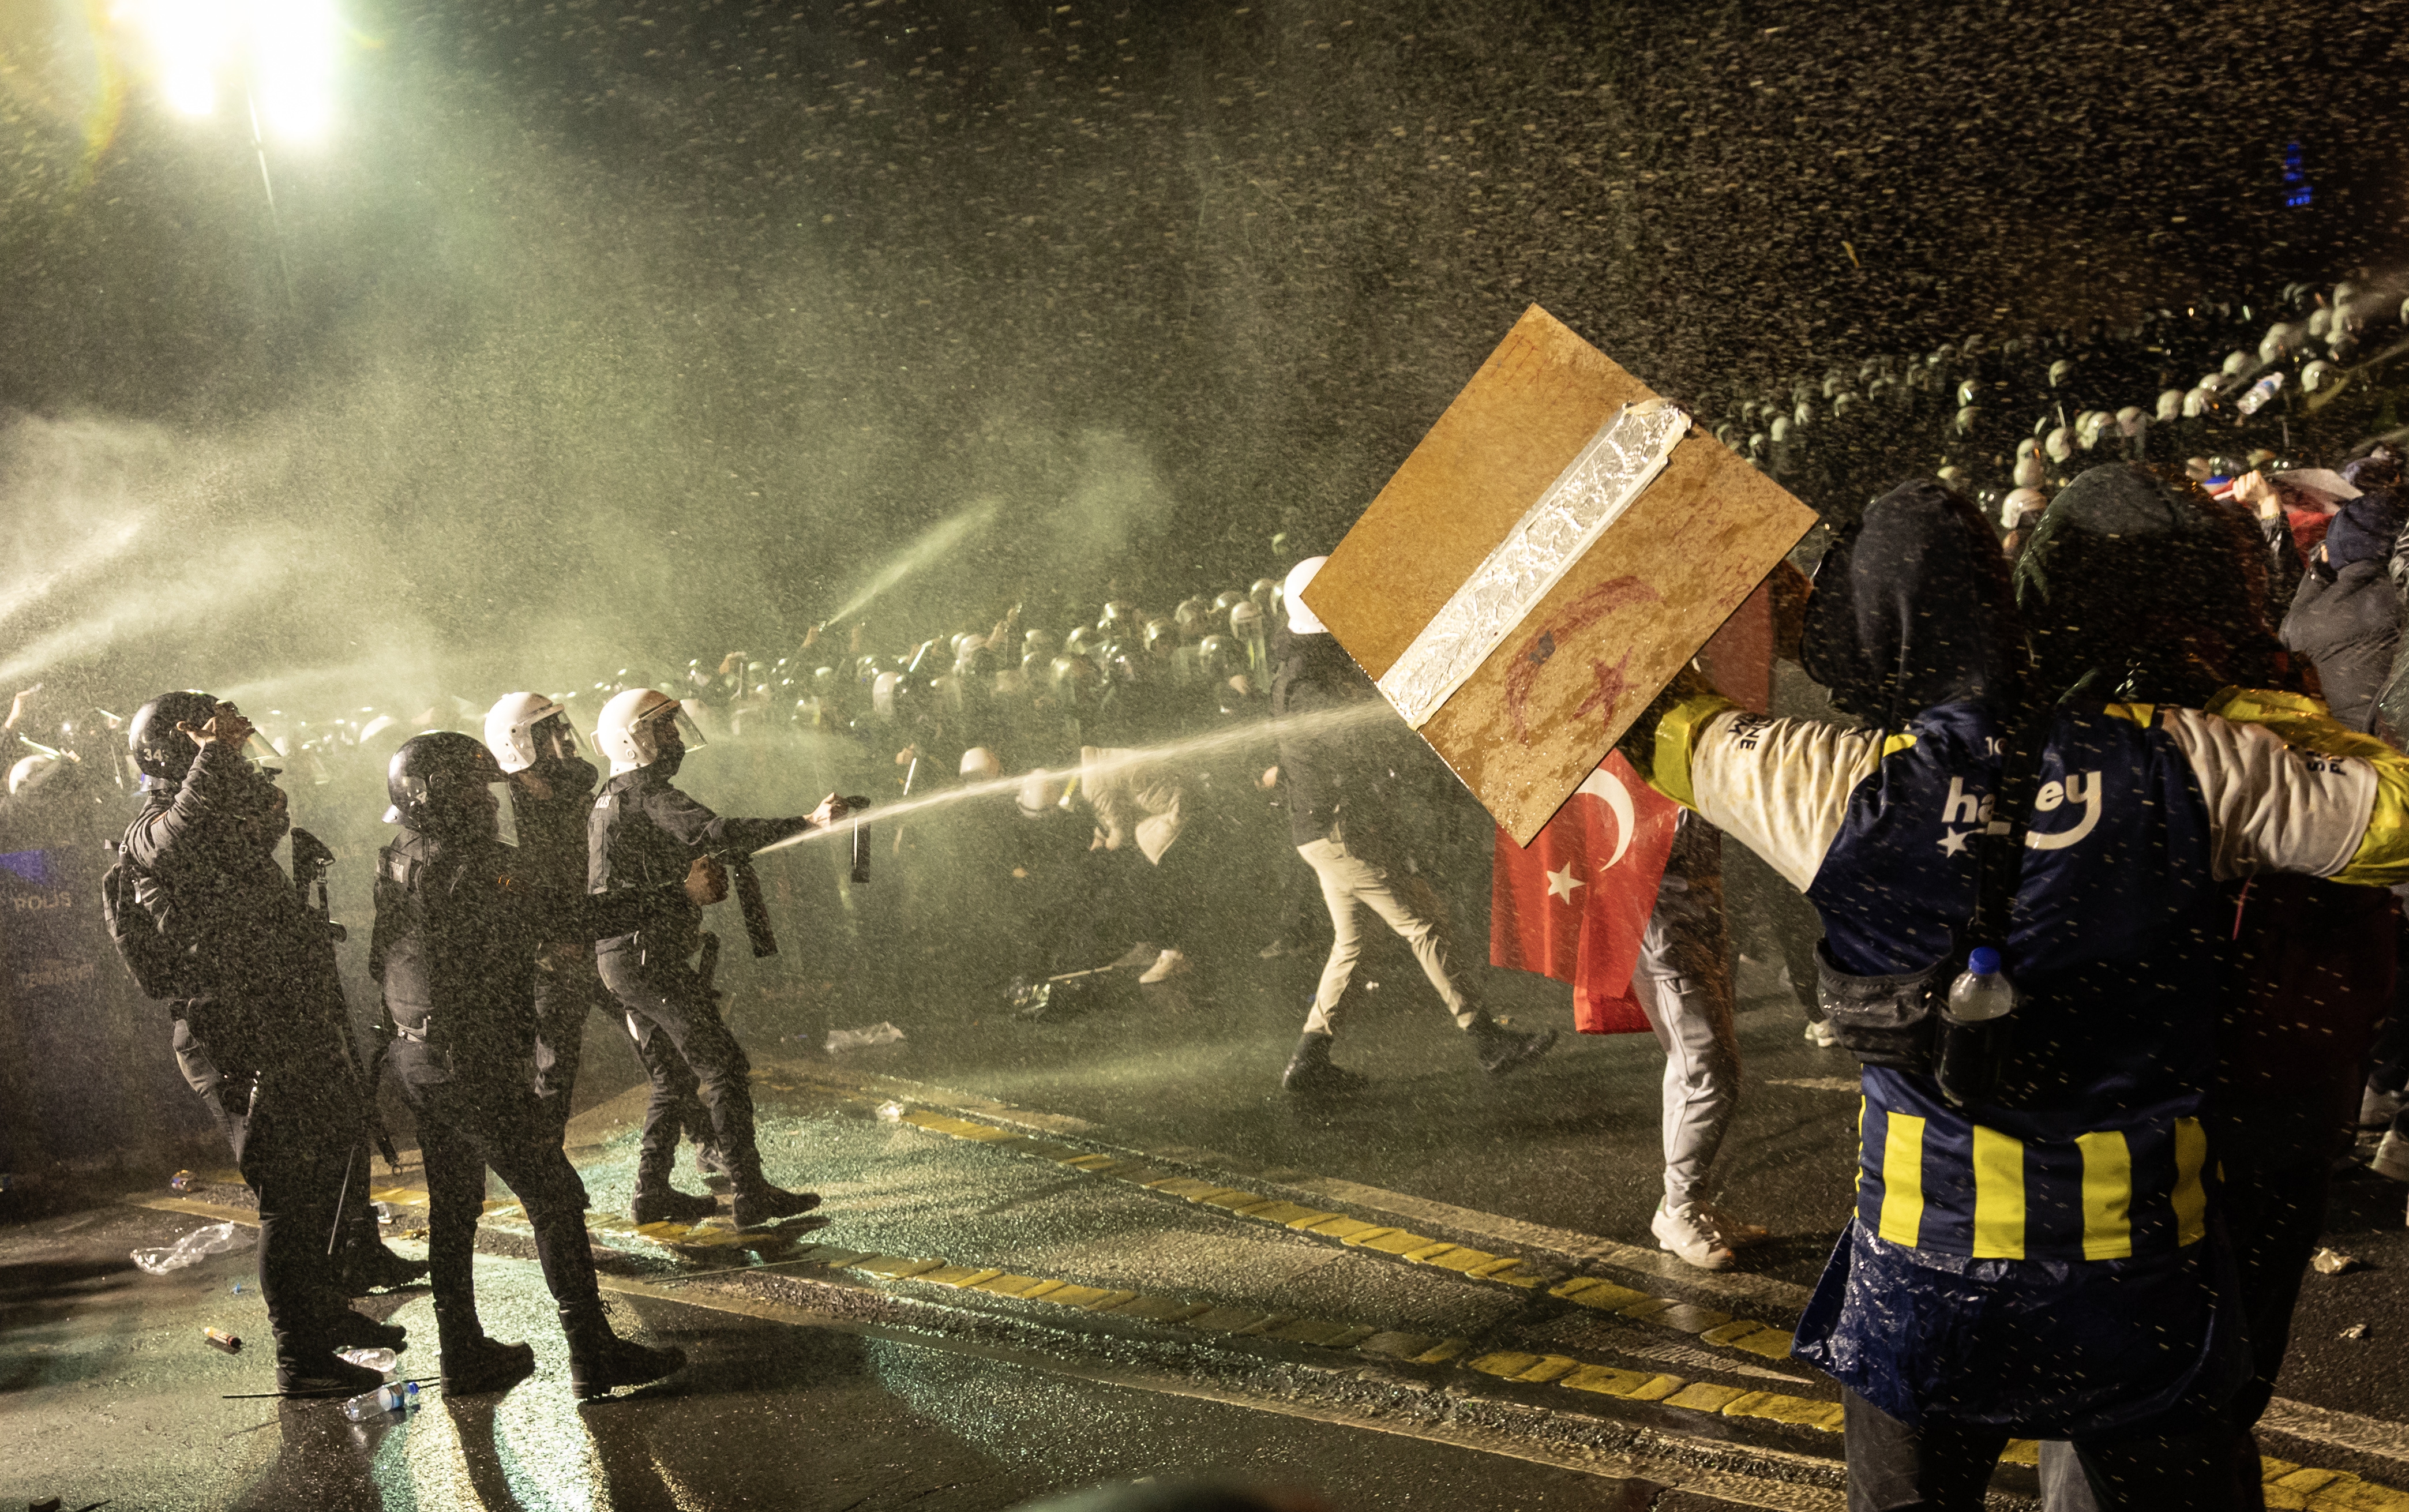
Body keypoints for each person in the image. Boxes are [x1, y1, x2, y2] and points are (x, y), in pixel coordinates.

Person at [1616, 470, 2409, 1508]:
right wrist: (2258, 704)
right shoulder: (2196, 757)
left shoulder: (1829, 779)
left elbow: (1651, 714)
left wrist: (1810, 627)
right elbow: (2390, 817)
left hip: (1921, 1280)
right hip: (2135, 1280)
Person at [370, 731, 692, 1397]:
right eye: (470, 789)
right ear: (432, 795)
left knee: (455, 1204)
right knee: (554, 1195)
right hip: (469, 1060)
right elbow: (567, 913)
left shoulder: (402, 853)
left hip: (418, 1053)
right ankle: (592, 1352)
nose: (486, 802)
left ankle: (462, 1350)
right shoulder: (474, 864)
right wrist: (675, 892)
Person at [117, 692, 401, 1394]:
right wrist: (213, 756)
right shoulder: (149, 829)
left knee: (330, 1164)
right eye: (209, 745)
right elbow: (180, 835)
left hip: (280, 1021)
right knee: (288, 1195)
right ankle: (300, 1357)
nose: (233, 757)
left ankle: (326, 1312)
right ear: (173, 754)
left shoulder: (215, 830)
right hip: (232, 1038)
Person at [1270, 556, 1555, 1091]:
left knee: (1356, 943)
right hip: (1339, 831)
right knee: (1424, 921)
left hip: (1324, 830)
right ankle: (1485, 1038)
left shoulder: (1303, 670)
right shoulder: (1311, 683)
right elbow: (1354, 746)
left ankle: (1309, 1061)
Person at [589, 686, 850, 1229]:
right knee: (723, 1065)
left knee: (672, 1078)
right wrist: (807, 821)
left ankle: (651, 1193)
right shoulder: (647, 794)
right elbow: (720, 833)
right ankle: (751, 1194)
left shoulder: (611, 795)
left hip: (622, 960)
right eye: (663, 729)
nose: (675, 737)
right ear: (634, 739)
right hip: (645, 957)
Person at [484, 691, 716, 1168]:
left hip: (603, 942)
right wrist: (547, 944)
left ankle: (704, 1143)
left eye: (561, 729)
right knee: (555, 1071)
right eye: (550, 733)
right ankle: (545, 1169)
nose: (565, 741)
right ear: (520, 743)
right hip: (553, 962)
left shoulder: (576, 792)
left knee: (664, 1052)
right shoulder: (503, 816)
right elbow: (506, 893)